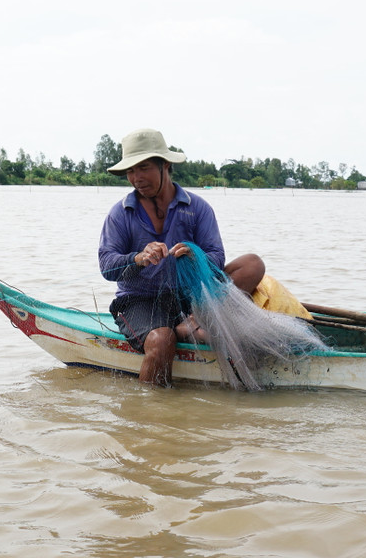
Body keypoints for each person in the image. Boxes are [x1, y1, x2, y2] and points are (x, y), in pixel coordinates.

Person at [97, 128, 266, 386]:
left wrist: (195, 255)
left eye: (143, 168)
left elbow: (217, 257)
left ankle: (194, 320)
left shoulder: (197, 208)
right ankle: (153, 405)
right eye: (130, 171)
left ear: (165, 165)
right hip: (139, 300)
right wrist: (139, 258)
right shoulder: (120, 213)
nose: (136, 178)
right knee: (161, 341)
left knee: (252, 264)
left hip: (190, 296)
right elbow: (107, 267)